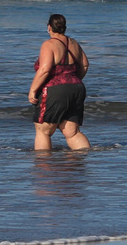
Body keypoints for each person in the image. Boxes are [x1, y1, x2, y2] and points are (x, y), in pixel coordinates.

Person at [28, 14, 90, 151]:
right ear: (64, 27)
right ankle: (84, 159)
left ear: (49, 27)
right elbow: (85, 65)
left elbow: (44, 70)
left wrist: (33, 90)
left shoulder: (49, 44)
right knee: (72, 133)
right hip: (77, 87)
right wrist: (73, 80)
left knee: (43, 131)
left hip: (55, 89)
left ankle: (44, 165)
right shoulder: (74, 43)